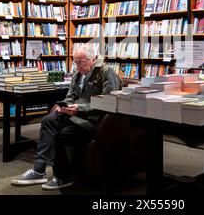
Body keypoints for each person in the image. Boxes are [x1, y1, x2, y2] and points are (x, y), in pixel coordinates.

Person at [11, 44, 122, 190]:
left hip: (95, 121)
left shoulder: (106, 72)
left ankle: (64, 177)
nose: (77, 66)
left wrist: (79, 108)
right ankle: (39, 170)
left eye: (80, 62)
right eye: (75, 62)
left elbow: (108, 101)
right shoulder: (78, 74)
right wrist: (64, 106)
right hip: (75, 116)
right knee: (48, 120)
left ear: (92, 59)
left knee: (62, 134)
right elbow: (71, 96)